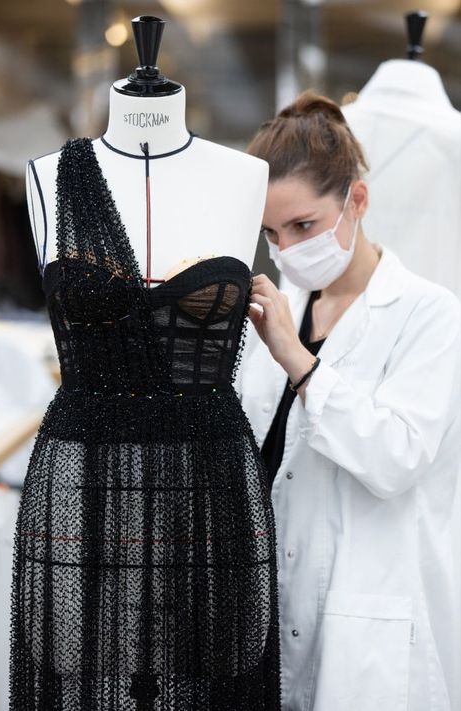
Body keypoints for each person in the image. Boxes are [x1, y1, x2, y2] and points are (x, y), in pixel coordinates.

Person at [234, 89, 461, 711]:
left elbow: (396, 457)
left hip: (370, 631)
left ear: (356, 200)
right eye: (271, 234)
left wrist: (299, 361)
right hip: (268, 620)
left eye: (302, 226)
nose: (285, 249)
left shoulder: (429, 315)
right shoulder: (279, 311)